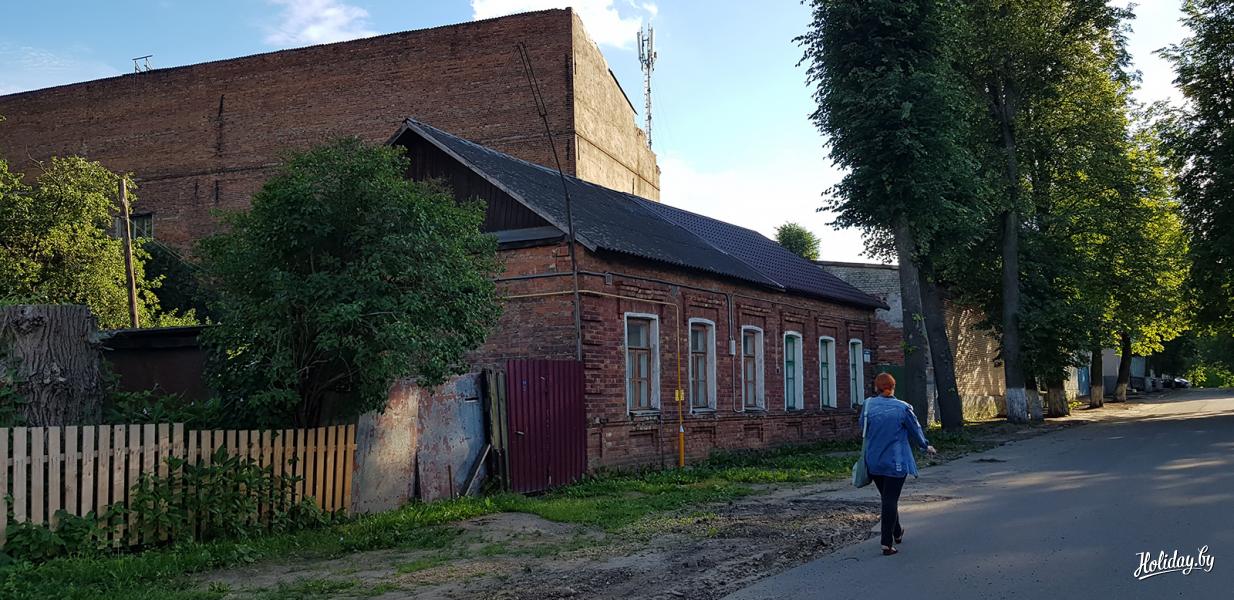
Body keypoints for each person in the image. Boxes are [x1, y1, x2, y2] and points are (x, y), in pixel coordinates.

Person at [859, 372, 936, 556]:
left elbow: (862, 427)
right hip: (896, 462)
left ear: (876, 388)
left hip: (874, 461)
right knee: (890, 499)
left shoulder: (868, 405)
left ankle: (897, 531)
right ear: (893, 387)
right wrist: (926, 446)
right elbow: (915, 429)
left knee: (888, 498)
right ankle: (886, 543)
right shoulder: (903, 408)